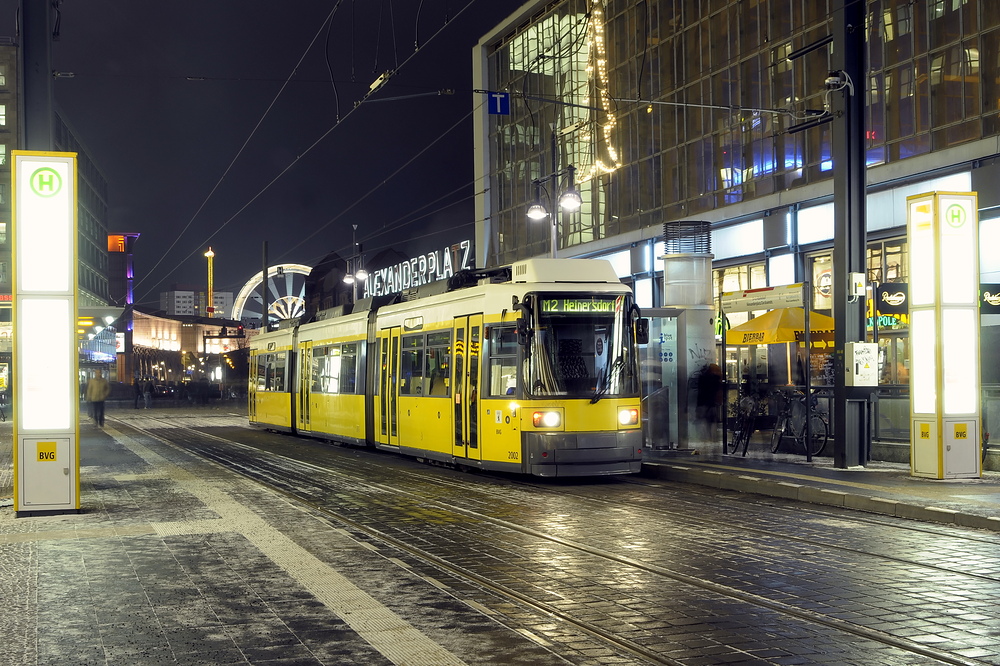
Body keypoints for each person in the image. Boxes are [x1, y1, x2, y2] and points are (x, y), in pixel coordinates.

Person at [695, 363, 724, 441]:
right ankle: (712, 437)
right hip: (711, 403)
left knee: (704, 420)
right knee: (711, 420)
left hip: (703, 403)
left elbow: (700, 393)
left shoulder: (702, 378)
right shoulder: (716, 379)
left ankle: (705, 438)